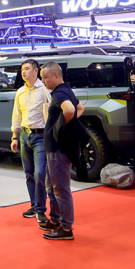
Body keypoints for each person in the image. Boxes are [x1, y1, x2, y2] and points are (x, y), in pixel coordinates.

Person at [39, 62, 84, 241]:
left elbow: (71, 110)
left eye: (45, 77)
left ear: (56, 76)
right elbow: (80, 108)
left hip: (58, 148)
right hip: (55, 147)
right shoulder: (66, 91)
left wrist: (60, 127)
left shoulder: (60, 93)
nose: (43, 81)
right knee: (52, 187)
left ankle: (66, 227)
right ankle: (56, 219)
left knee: (60, 188)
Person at [11, 58, 50, 224]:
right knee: (28, 173)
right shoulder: (20, 92)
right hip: (24, 135)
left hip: (41, 136)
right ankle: (34, 206)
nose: (23, 72)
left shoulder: (45, 90)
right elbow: (17, 115)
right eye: (22, 69)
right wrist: (15, 136)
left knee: (40, 173)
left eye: (27, 69)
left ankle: (41, 209)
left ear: (36, 71)